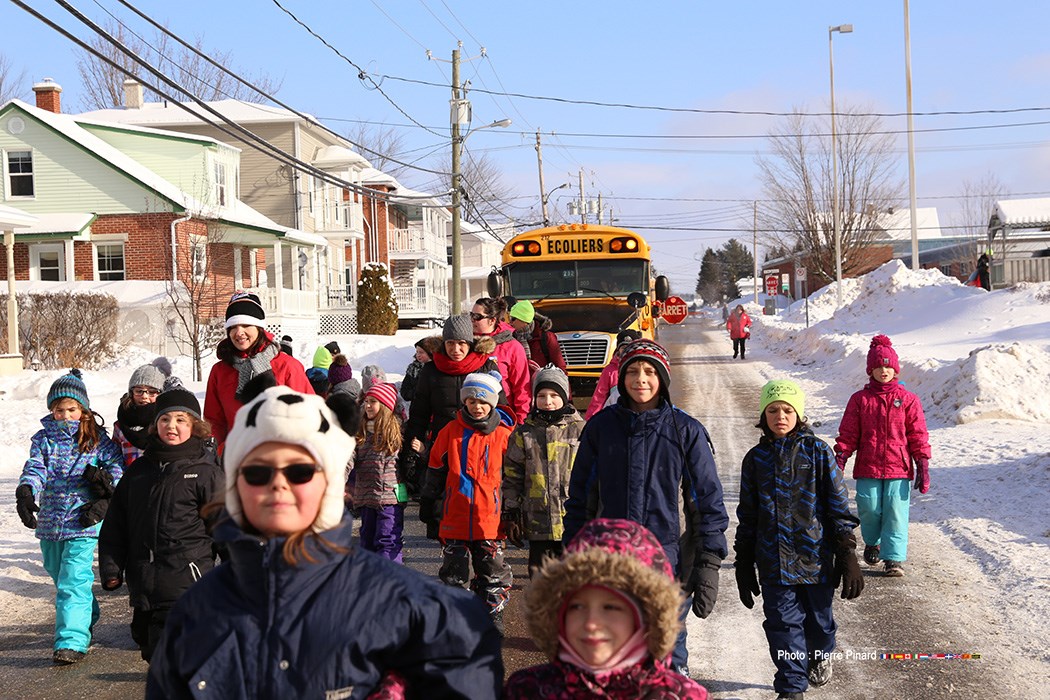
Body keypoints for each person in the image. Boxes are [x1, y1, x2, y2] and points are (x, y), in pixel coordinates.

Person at [146, 384, 504, 698]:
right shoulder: (197, 612)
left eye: (300, 470)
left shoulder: (412, 611)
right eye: (257, 471)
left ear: (328, 483)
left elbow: (469, 663)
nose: (278, 483)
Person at [564, 339, 729, 676]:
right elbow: (581, 498)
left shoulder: (686, 431)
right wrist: (573, 551)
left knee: (666, 651)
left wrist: (708, 562)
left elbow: (707, 501)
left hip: (669, 562)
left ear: (662, 379)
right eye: (633, 371)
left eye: (650, 372)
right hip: (611, 562)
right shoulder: (600, 429)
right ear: (622, 377)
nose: (641, 379)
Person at [735, 380, 864, 700]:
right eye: (773, 410)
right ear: (763, 415)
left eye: (787, 410)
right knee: (782, 624)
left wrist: (846, 551)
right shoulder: (755, 459)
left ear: (798, 414)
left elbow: (837, 505)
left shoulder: (818, 452)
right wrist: (743, 559)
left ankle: (820, 654)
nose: (780, 416)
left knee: (820, 623)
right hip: (773, 561)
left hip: (815, 559)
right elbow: (748, 513)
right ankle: (791, 686)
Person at [505, 519, 709, 699]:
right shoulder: (526, 690)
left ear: (648, 617)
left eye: (610, 607)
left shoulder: (682, 696)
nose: (591, 623)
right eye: (577, 606)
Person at [98, 388, 223, 662]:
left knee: (170, 656)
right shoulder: (139, 471)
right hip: (144, 584)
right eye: (165, 419)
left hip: (188, 581)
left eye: (181, 420)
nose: (171, 426)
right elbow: (116, 524)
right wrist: (111, 567)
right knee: (146, 644)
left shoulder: (206, 473)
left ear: (195, 426)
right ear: (155, 425)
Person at [15, 370, 124, 665]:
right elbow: (36, 467)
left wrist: (105, 480)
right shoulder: (43, 439)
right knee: (56, 571)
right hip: (51, 519)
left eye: (72, 409)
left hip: (83, 518)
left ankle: (71, 641)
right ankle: (85, 612)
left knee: (72, 579)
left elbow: (117, 464)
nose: (66, 416)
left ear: (83, 410)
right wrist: (26, 489)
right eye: (59, 410)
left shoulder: (96, 439)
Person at [420, 371, 514, 636]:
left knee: (492, 571)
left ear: (492, 403)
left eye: (483, 401)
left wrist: (513, 510)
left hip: (490, 518)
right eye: (471, 401)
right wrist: (429, 502)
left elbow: (514, 476)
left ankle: (492, 613)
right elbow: (435, 468)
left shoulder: (504, 435)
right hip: (456, 514)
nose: (477, 406)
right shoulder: (450, 431)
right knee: (454, 573)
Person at [834, 335, 931, 578]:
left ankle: (893, 559)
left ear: (895, 369)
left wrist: (922, 462)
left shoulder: (908, 400)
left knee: (896, 513)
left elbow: (917, 433)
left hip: (899, 467)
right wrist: (840, 458)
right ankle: (873, 542)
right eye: (878, 367)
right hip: (868, 466)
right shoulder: (860, 400)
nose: (884, 371)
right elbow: (848, 433)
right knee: (869, 507)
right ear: (871, 370)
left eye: (888, 367)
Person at [403, 314, 507, 498]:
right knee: (440, 502)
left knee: (478, 500)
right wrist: (411, 451)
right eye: (450, 343)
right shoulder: (432, 370)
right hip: (443, 446)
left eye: (461, 343)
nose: (456, 349)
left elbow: (501, 409)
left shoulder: (485, 367)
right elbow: (419, 412)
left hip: (480, 446)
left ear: (469, 343)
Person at [502, 366, 586, 578]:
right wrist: (511, 511)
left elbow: (592, 475)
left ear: (565, 397)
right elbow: (512, 475)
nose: (547, 401)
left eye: (554, 395)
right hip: (538, 523)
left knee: (574, 581)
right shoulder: (524, 434)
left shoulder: (581, 431)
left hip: (573, 522)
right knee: (541, 581)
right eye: (541, 396)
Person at [203, 291, 313, 446]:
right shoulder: (220, 371)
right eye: (233, 327)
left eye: (246, 325)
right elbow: (214, 422)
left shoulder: (287, 366)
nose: (239, 332)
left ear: (259, 327)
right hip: (236, 454)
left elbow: (309, 415)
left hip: (281, 454)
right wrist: (221, 452)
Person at [350, 382, 407, 562]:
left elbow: (409, 462)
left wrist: (421, 451)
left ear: (384, 406)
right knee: (367, 541)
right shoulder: (360, 433)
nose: (367, 406)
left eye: (373, 402)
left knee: (388, 539)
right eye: (366, 401)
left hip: (392, 498)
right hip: (367, 496)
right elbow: (348, 459)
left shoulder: (397, 432)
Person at [471, 297, 530, 423]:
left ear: (492, 320)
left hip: (502, 417)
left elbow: (522, 387)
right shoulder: (465, 344)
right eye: (471, 315)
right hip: (470, 416)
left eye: (477, 317)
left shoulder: (512, 347)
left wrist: (521, 420)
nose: (472, 320)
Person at [112, 357, 178, 466]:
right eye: (139, 391)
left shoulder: (167, 423)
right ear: (131, 393)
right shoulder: (121, 424)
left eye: (152, 392)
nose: (144, 396)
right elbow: (114, 458)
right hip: (130, 475)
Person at [584, 329, 641, 420]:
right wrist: (591, 419)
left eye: (631, 347)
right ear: (618, 350)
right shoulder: (609, 371)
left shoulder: (643, 369)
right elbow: (599, 397)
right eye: (623, 348)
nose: (627, 351)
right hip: (617, 417)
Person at [508, 300, 567, 375]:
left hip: (543, 380)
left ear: (524, 320)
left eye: (513, 319)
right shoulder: (511, 338)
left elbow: (560, 368)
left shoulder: (546, 337)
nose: (510, 322)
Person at [400, 335, 442, 403]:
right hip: (416, 404)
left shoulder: (438, 368)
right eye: (417, 352)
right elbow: (404, 391)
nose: (418, 355)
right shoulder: (413, 368)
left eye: (421, 352)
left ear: (431, 353)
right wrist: (415, 394)